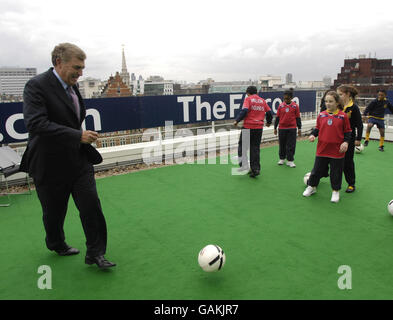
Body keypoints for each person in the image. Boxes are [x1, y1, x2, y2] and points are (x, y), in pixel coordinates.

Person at [20, 43, 116, 269]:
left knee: (91, 205)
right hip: (49, 163)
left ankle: (95, 253)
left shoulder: (73, 87)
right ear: (58, 62)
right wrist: (77, 135)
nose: (81, 73)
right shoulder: (35, 86)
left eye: (83, 68)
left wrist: (79, 138)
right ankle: (56, 243)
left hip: (78, 161)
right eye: (77, 67)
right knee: (54, 212)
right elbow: (36, 124)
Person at [303, 91, 352, 203]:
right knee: (316, 170)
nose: (328, 104)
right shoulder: (321, 115)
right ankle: (311, 187)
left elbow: (348, 131)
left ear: (337, 102)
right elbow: (317, 128)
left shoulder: (343, 116)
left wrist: (345, 142)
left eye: (331, 101)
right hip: (322, 149)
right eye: (326, 101)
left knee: (336, 172)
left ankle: (335, 191)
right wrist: (312, 135)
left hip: (337, 150)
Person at [233, 86, 272, 178]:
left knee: (242, 147)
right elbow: (269, 112)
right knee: (255, 148)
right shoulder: (262, 101)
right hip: (259, 128)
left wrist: (237, 120)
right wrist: (269, 122)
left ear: (248, 93)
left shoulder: (248, 99)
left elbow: (245, 110)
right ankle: (255, 169)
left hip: (248, 127)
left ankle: (244, 166)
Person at [336, 85, 363, 193]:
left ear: (348, 94)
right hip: (336, 138)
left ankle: (351, 184)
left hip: (349, 139)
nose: (338, 96)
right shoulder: (337, 106)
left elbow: (359, 125)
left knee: (347, 162)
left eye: (340, 94)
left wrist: (358, 138)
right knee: (331, 160)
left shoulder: (354, 108)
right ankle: (322, 176)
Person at [274, 88, 302, 167]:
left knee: (291, 145)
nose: (285, 100)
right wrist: (275, 128)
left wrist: (299, 128)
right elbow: (278, 118)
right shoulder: (280, 106)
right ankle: (282, 158)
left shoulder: (295, 106)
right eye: (284, 98)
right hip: (282, 128)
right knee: (282, 144)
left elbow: (298, 118)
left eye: (287, 98)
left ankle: (290, 160)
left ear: (291, 98)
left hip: (292, 128)